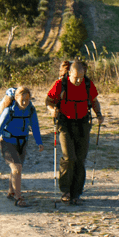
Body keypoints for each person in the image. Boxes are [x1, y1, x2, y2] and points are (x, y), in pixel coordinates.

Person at [46, 60, 104, 205]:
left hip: (83, 123)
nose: (78, 80)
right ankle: (66, 190)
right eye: (75, 77)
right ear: (69, 73)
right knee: (68, 157)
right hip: (65, 123)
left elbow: (94, 101)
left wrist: (99, 114)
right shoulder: (61, 84)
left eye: (81, 77)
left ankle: (76, 193)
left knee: (80, 158)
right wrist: (52, 110)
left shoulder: (87, 84)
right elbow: (48, 100)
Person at [0, 86, 43, 207]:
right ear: (16, 98)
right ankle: (18, 197)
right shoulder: (9, 111)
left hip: (22, 143)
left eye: (27, 99)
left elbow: (35, 127)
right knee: (17, 168)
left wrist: (39, 142)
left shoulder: (31, 110)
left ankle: (11, 191)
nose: (25, 102)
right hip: (7, 142)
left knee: (16, 169)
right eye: (22, 100)